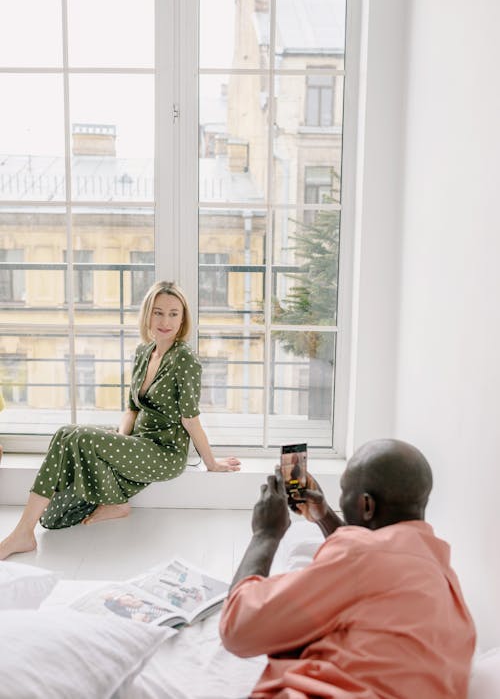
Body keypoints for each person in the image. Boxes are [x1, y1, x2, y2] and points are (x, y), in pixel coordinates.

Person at [0, 280, 240, 560]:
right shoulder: (143, 353)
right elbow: (131, 409)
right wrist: (121, 443)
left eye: (174, 313)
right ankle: (111, 504)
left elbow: (190, 419)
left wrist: (212, 463)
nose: (166, 321)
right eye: (158, 312)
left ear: (183, 318)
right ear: (147, 314)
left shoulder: (184, 360)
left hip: (164, 452)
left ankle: (22, 533)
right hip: (137, 442)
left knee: (74, 434)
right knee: (62, 451)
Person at [219, 439, 476, 699]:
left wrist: (265, 534)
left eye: (344, 490)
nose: (341, 498)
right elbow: (371, 564)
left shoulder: (360, 555)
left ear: (366, 505)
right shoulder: (439, 571)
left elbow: (237, 629)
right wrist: (325, 515)